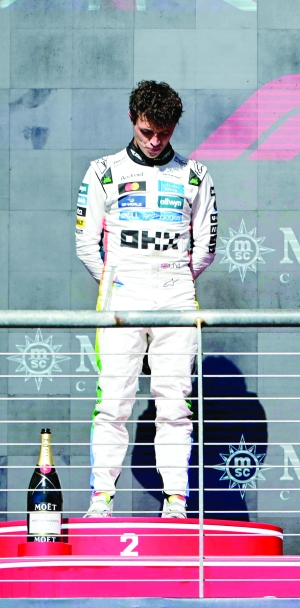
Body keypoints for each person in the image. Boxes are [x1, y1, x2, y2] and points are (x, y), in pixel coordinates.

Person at [76, 81, 218, 518]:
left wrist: (172, 280)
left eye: (164, 132)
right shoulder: (103, 171)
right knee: (114, 401)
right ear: (133, 120)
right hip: (120, 296)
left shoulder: (196, 174)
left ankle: (176, 501)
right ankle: (101, 499)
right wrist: (119, 283)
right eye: (146, 132)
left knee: (174, 403)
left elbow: (205, 247)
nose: (155, 141)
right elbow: (86, 245)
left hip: (176, 296)